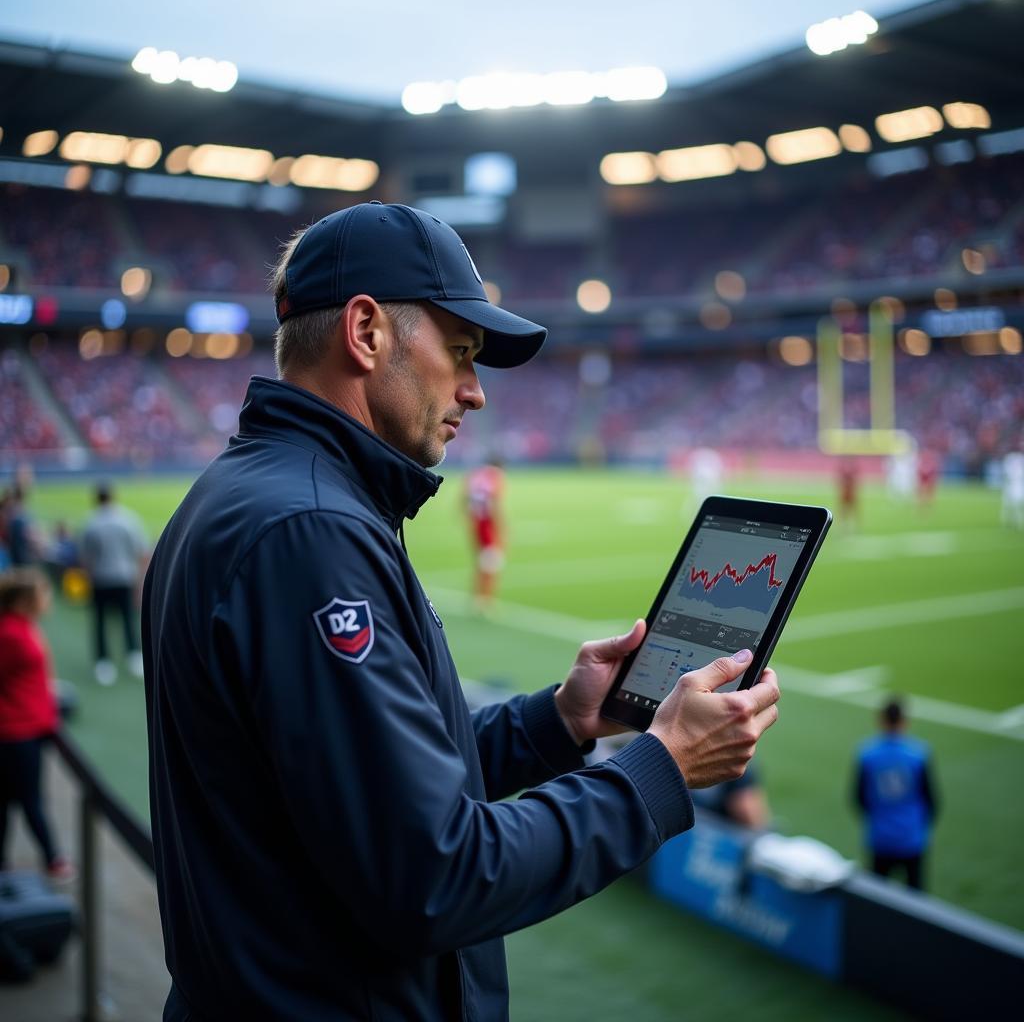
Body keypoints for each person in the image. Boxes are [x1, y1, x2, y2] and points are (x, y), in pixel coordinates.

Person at [143, 201, 782, 1022]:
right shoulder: (311, 533)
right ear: (366, 332)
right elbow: (433, 877)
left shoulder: (256, 496)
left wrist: (556, 721)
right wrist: (660, 770)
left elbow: (365, 780)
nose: (476, 392)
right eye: (461, 352)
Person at [0, 568, 74, 881]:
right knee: (27, 799)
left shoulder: (21, 627)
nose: (47, 600)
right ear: (25, 600)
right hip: (15, 732)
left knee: (13, 799)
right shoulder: (10, 634)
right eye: (43, 594)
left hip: (27, 727)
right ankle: (53, 859)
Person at [853, 697, 939, 890]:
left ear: (881, 720)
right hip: (912, 837)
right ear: (904, 721)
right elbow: (932, 799)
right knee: (916, 899)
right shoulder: (919, 753)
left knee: (878, 897)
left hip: (880, 837)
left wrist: (876, 819)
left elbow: (858, 797)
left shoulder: (867, 754)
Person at [80, 481, 148, 685]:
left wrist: (89, 576)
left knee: (100, 621)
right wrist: (138, 580)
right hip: (124, 577)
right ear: (113, 496)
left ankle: (103, 662)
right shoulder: (128, 519)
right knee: (128, 619)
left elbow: (85, 557)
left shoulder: (90, 521)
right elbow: (141, 552)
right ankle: (134, 656)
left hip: (100, 578)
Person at [465, 456, 505, 612]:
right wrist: (501, 529)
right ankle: (486, 600)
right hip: (487, 524)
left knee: (482, 561)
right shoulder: (496, 476)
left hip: (477, 521)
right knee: (492, 561)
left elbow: (465, 498)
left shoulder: (476, 475)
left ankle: (477, 597)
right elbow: (495, 504)